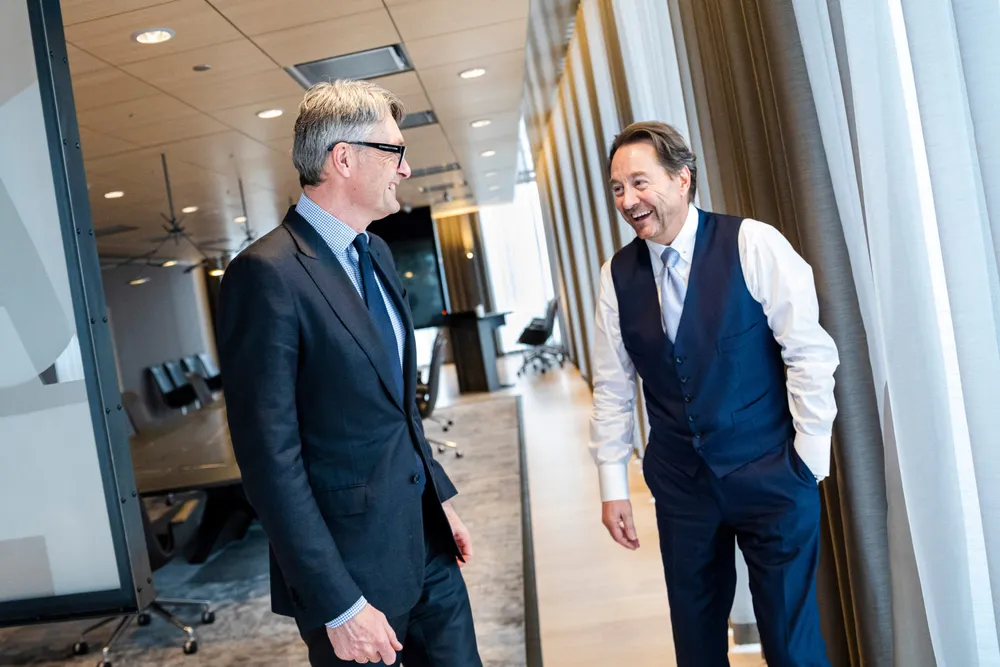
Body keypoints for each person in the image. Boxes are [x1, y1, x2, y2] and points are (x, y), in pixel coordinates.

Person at [217, 79, 482, 667]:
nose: (405, 168)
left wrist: (438, 499)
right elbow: (270, 464)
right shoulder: (265, 275)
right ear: (343, 158)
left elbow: (398, 409)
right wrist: (337, 604)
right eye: (394, 151)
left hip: (427, 545)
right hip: (354, 578)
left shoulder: (376, 252)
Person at [589, 121, 839, 666]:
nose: (628, 201)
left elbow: (808, 352)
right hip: (682, 486)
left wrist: (807, 462)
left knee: (792, 647)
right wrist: (613, 485)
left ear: (683, 179)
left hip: (772, 472)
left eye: (639, 183)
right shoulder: (616, 276)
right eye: (617, 188)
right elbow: (612, 386)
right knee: (696, 646)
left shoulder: (753, 243)